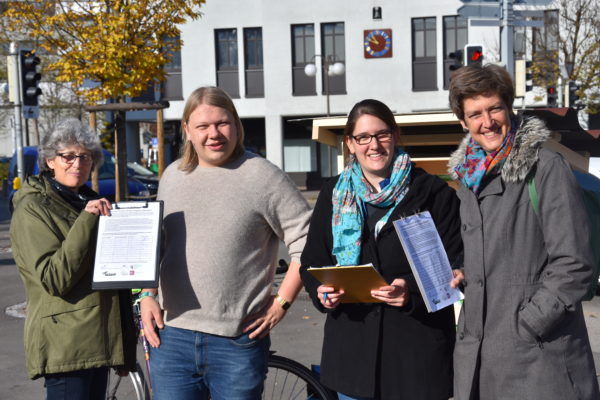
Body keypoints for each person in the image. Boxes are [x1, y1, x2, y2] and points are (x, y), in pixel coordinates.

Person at [140, 86, 312, 400]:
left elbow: (307, 242)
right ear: (188, 131)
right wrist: (146, 295)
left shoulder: (262, 176)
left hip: (236, 341)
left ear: (236, 125)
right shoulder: (172, 177)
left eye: (222, 123)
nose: (214, 134)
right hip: (171, 337)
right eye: (203, 126)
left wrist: (280, 305)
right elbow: (157, 245)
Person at [447, 64, 600, 399]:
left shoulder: (545, 168)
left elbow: (574, 264)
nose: (487, 122)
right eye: (475, 114)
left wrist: (530, 324)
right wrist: (464, 271)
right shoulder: (467, 180)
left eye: (494, 108)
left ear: (508, 108)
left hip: (539, 360)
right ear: (463, 121)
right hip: (481, 359)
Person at [300, 99, 463, 400]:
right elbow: (313, 260)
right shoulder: (334, 194)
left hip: (416, 358)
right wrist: (321, 292)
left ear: (396, 135)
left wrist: (410, 292)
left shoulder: (434, 193)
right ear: (350, 143)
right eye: (363, 137)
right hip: (352, 358)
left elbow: (458, 265)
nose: (373, 145)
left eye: (382, 134)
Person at [10, 118, 137, 400]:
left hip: (99, 340)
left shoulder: (89, 201)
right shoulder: (33, 208)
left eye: (85, 156)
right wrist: (87, 220)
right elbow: (54, 278)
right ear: (49, 161)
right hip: (66, 343)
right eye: (67, 156)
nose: (77, 163)